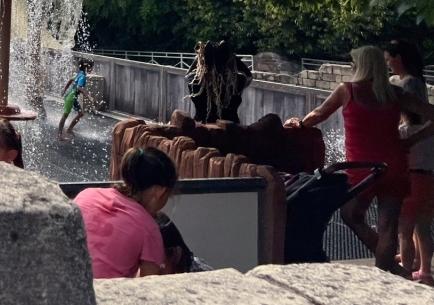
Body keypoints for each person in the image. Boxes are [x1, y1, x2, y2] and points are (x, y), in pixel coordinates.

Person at [286, 44, 434, 277]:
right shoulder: (394, 94)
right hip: (393, 166)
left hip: (361, 169)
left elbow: (319, 114)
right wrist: (410, 141)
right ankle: (387, 270)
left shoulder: (348, 91)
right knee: (388, 227)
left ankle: (386, 271)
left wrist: (300, 125)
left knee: (351, 215)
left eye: (354, 63)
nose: (352, 66)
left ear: (361, 66)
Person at [74, 147, 178, 279]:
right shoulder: (149, 229)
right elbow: (147, 286)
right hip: (98, 296)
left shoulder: (86, 195)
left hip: (57, 287)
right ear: (160, 192)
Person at [386, 40, 434, 285]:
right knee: (423, 223)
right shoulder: (419, 82)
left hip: (413, 175)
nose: (387, 63)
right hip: (428, 173)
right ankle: (424, 267)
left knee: (406, 225)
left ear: (398, 59)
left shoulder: (407, 86)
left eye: (388, 58)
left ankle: (408, 268)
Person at [186, 40, 252, 124]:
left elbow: (187, 75)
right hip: (230, 129)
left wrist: (200, 58)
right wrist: (232, 56)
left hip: (203, 127)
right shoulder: (236, 81)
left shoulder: (196, 81)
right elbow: (249, 76)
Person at [58, 61, 92, 141]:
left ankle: (69, 129)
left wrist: (64, 89)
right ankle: (59, 134)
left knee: (81, 113)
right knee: (65, 115)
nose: (91, 69)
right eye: (90, 67)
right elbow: (79, 88)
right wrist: (88, 96)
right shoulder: (82, 76)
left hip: (73, 97)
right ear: (85, 67)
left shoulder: (80, 74)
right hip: (71, 97)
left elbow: (70, 80)